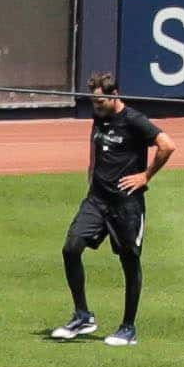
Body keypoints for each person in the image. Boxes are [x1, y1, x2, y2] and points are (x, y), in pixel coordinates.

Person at [48, 74, 169, 345]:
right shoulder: (99, 116)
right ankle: (82, 316)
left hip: (126, 204)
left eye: (100, 101)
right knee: (71, 248)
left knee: (129, 261)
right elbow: (95, 147)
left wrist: (145, 176)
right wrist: (92, 176)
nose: (96, 106)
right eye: (93, 101)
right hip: (97, 201)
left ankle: (128, 328)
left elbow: (167, 145)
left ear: (114, 96)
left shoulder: (134, 121)